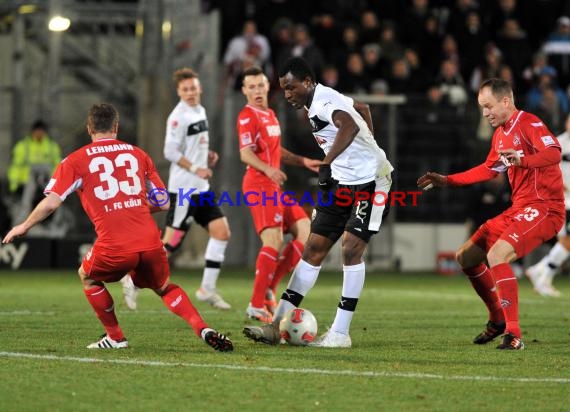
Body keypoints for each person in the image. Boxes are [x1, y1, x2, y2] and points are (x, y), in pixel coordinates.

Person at [2, 103, 233, 352]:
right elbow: (164, 202)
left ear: (90, 128)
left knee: (87, 276)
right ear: (116, 127)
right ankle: (202, 327)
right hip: (150, 241)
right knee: (164, 287)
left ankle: (115, 337)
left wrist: (24, 225)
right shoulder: (138, 154)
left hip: (116, 244)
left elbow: (50, 204)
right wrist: (132, 204)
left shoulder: (75, 160)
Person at [243, 57, 393, 348]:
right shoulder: (321, 98)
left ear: (308, 83)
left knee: (350, 249)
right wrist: (368, 142)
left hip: (372, 181)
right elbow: (362, 108)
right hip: (341, 182)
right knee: (312, 248)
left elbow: (349, 123)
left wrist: (330, 161)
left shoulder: (323, 102)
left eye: (291, 88)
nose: (287, 95)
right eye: (284, 90)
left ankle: (340, 333)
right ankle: (276, 327)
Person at [417, 78, 565, 350]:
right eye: (481, 107)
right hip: (519, 209)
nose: (485, 113)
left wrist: (523, 160)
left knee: (497, 255)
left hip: (545, 208)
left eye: (488, 106)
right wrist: (447, 180)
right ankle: (497, 319)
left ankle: (514, 333)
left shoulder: (528, 123)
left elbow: (554, 152)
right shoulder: (500, 135)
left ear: (506, 102)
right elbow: (488, 170)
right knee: (466, 257)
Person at [120, 68, 232, 311]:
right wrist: (196, 168)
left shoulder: (199, 110)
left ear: (200, 88)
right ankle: (132, 280)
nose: (191, 92)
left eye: (193, 88)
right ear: (179, 92)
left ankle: (207, 289)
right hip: (184, 191)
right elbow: (169, 152)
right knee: (167, 247)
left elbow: (193, 146)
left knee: (221, 232)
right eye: (185, 89)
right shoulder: (178, 116)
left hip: (201, 189)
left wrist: (207, 158)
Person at [237, 66, 321, 322]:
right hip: (259, 185)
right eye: (251, 87)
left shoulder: (270, 115)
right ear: (244, 91)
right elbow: (245, 153)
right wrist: (268, 170)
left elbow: (277, 151)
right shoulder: (246, 116)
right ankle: (255, 304)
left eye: (260, 85)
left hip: (273, 186)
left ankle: (270, 288)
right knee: (272, 242)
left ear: (267, 87)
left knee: (305, 233)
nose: (257, 90)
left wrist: (304, 161)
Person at [526, 112, 570, 297]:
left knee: (566, 242)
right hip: (563, 200)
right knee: (567, 241)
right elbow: (545, 169)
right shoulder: (558, 143)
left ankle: (540, 271)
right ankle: (543, 275)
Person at [7, 120, 61, 223]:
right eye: (37, 131)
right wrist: (14, 185)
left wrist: (56, 183)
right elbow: (15, 166)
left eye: (41, 131)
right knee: (25, 203)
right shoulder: (23, 146)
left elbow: (58, 165)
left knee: (54, 200)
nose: (39, 133)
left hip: (47, 181)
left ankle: (54, 223)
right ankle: (21, 223)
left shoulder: (52, 146)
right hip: (27, 182)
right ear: (32, 132)